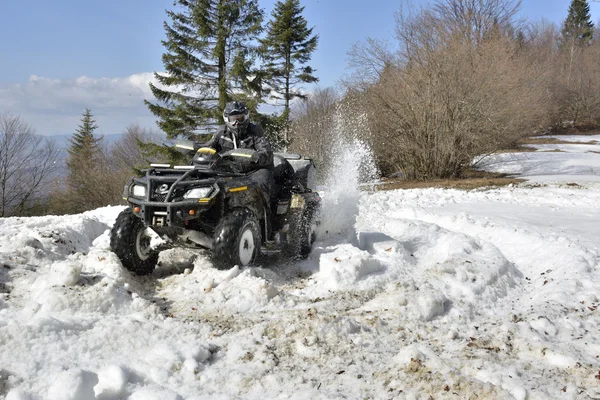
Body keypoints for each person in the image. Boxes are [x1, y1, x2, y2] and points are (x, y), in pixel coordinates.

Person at [203, 101, 275, 202]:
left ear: (246, 117)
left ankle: (266, 213)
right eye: (233, 119)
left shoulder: (255, 131)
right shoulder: (221, 132)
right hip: (231, 171)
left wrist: (256, 157)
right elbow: (208, 148)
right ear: (227, 119)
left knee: (262, 182)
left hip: (254, 170)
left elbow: (266, 151)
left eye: (240, 119)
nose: (237, 123)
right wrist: (200, 153)